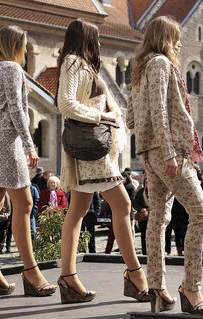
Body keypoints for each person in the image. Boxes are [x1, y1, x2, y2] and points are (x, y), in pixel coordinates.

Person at [57, 19, 148, 305]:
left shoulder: (82, 64)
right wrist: (104, 116)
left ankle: (68, 277)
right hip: (91, 153)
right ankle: (135, 274)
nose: (99, 43)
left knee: (77, 212)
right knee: (122, 205)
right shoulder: (73, 62)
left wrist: (111, 112)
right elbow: (66, 103)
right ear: (85, 39)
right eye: (95, 38)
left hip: (92, 151)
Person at [127, 16, 203, 314]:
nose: (180, 43)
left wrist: (153, 147)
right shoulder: (162, 64)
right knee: (202, 214)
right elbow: (160, 112)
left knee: (158, 219)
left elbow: (131, 119)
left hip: (149, 152)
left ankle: (157, 289)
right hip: (170, 151)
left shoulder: (140, 68)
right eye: (176, 37)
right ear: (164, 38)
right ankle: (191, 287)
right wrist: (168, 152)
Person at [0, 25, 56, 298]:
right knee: (24, 204)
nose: (24, 50)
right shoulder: (12, 69)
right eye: (23, 44)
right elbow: (18, 111)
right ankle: (31, 272)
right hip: (8, 142)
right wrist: (30, 144)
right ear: (15, 46)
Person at [132, 183, 150, 255]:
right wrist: (141, 209)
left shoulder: (157, 191)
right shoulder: (141, 192)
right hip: (144, 217)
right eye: (146, 182)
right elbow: (135, 203)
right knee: (144, 235)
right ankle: (145, 252)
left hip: (154, 216)